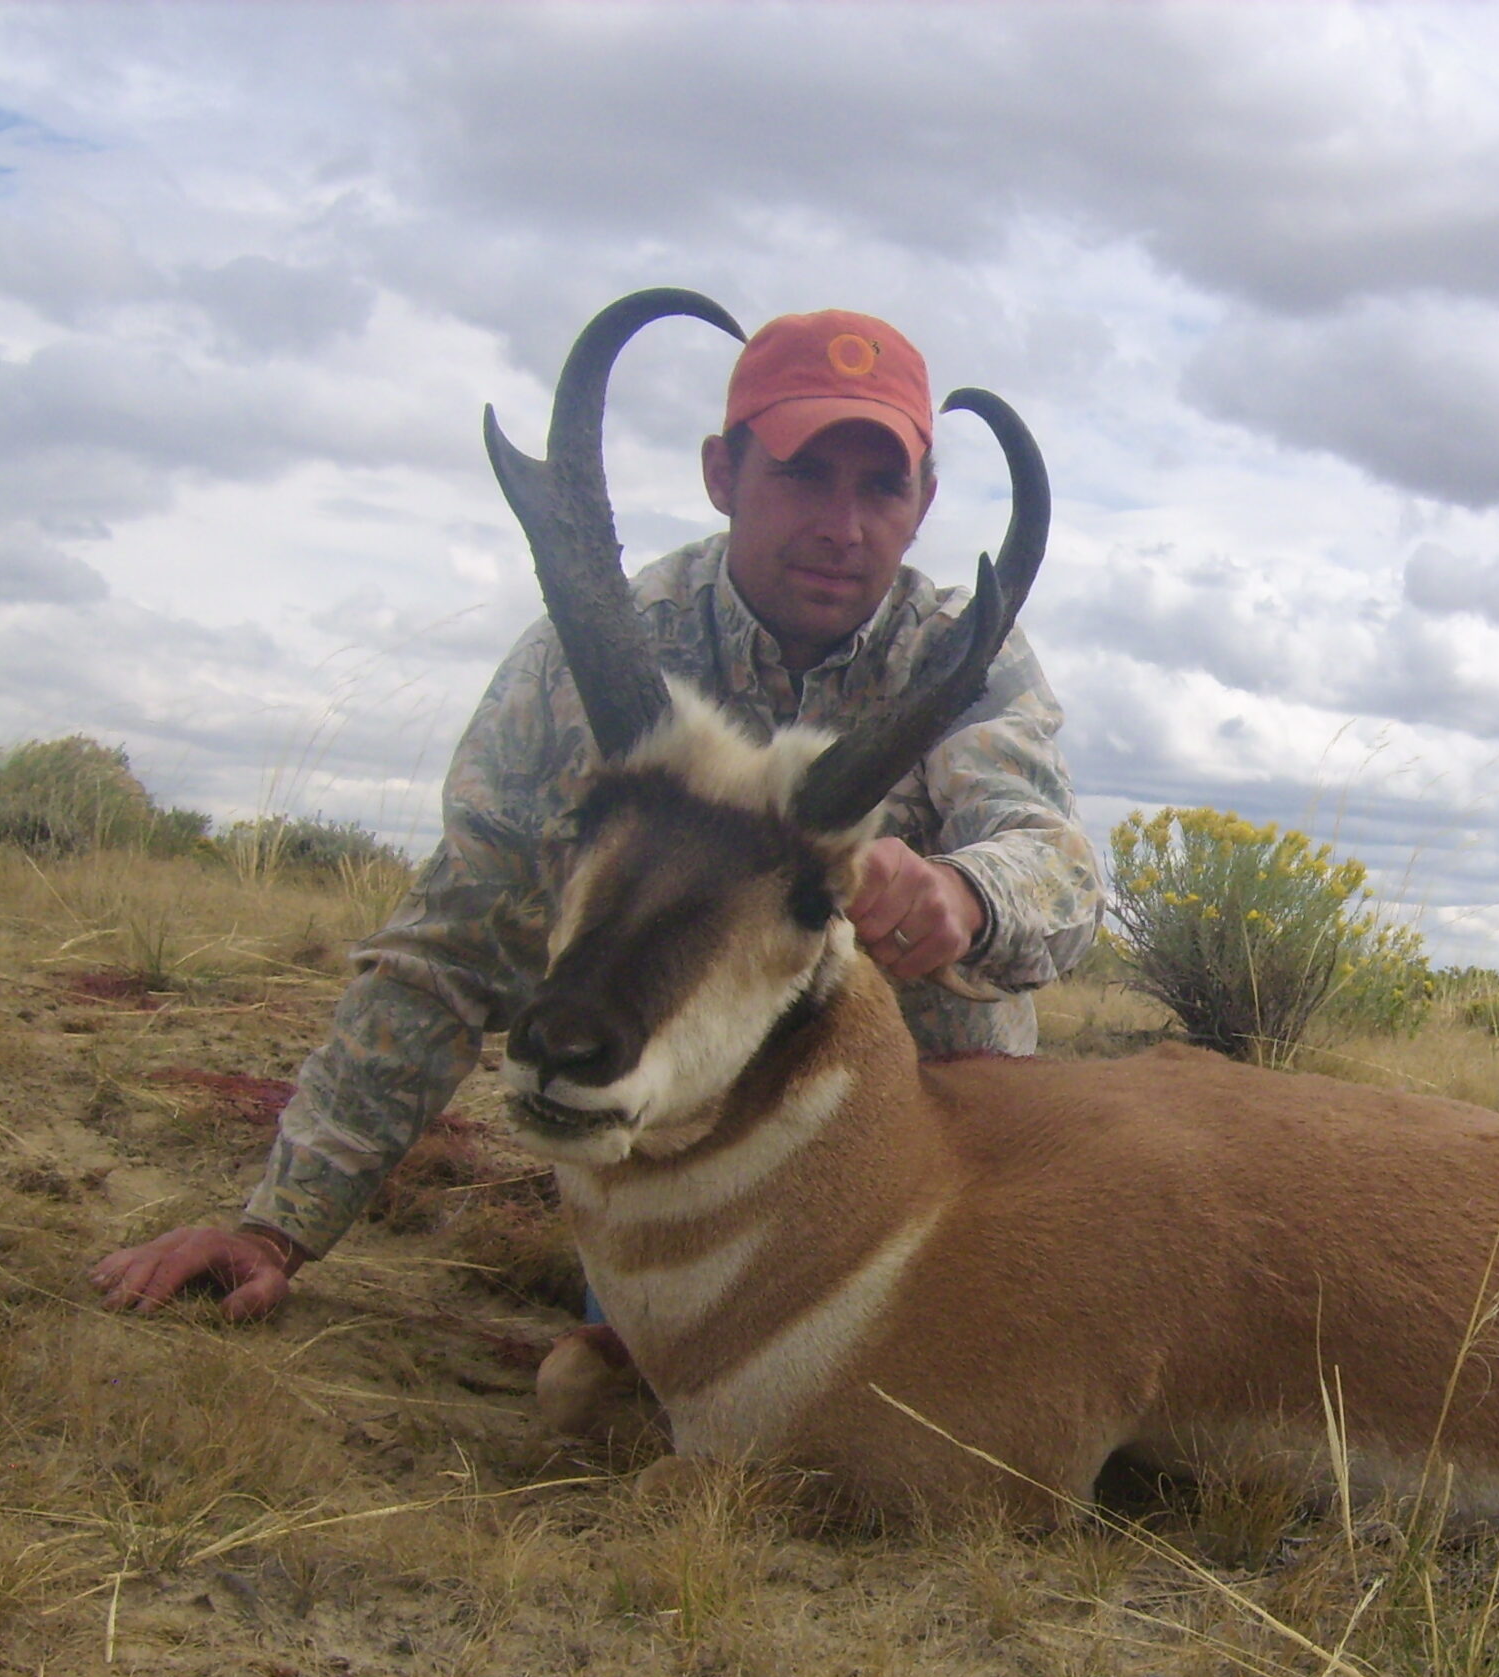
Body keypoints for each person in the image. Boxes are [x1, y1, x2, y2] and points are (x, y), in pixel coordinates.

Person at [93, 308, 1100, 1319]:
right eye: (803, 474)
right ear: (721, 472)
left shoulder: (964, 655)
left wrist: (964, 893)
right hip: (667, 1157)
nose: (844, 526)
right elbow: (454, 942)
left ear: (923, 501)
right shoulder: (596, 649)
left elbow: (1055, 863)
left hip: (914, 1168)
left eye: (881, 487)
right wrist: (278, 1226)